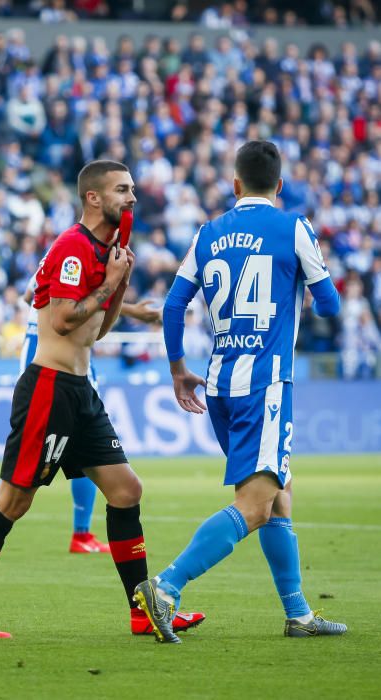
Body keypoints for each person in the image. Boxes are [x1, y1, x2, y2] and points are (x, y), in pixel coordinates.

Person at [0, 160, 203, 639]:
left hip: (81, 391)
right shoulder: (73, 247)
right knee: (13, 501)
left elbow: (97, 329)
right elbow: (61, 322)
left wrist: (119, 281)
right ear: (94, 198)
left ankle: (142, 612)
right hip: (49, 388)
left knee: (127, 490)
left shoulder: (105, 250)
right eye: (123, 189)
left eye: (134, 189)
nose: (133, 198)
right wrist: (107, 281)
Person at [133, 141, 347, 643]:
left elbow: (171, 307)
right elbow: (330, 306)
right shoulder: (293, 226)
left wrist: (177, 368)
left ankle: (298, 614)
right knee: (255, 504)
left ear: (234, 185)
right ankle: (166, 587)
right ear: (279, 185)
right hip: (266, 384)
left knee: (278, 496)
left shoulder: (209, 233)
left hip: (221, 384)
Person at [0, 276, 164, 557]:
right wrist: (132, 309)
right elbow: (77, 307)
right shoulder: (79, 256)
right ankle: (80, 534)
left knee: (40, 450)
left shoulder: (51, 257)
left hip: (37, 359)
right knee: (88, 448)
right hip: (62, 364)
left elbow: (29, 297)